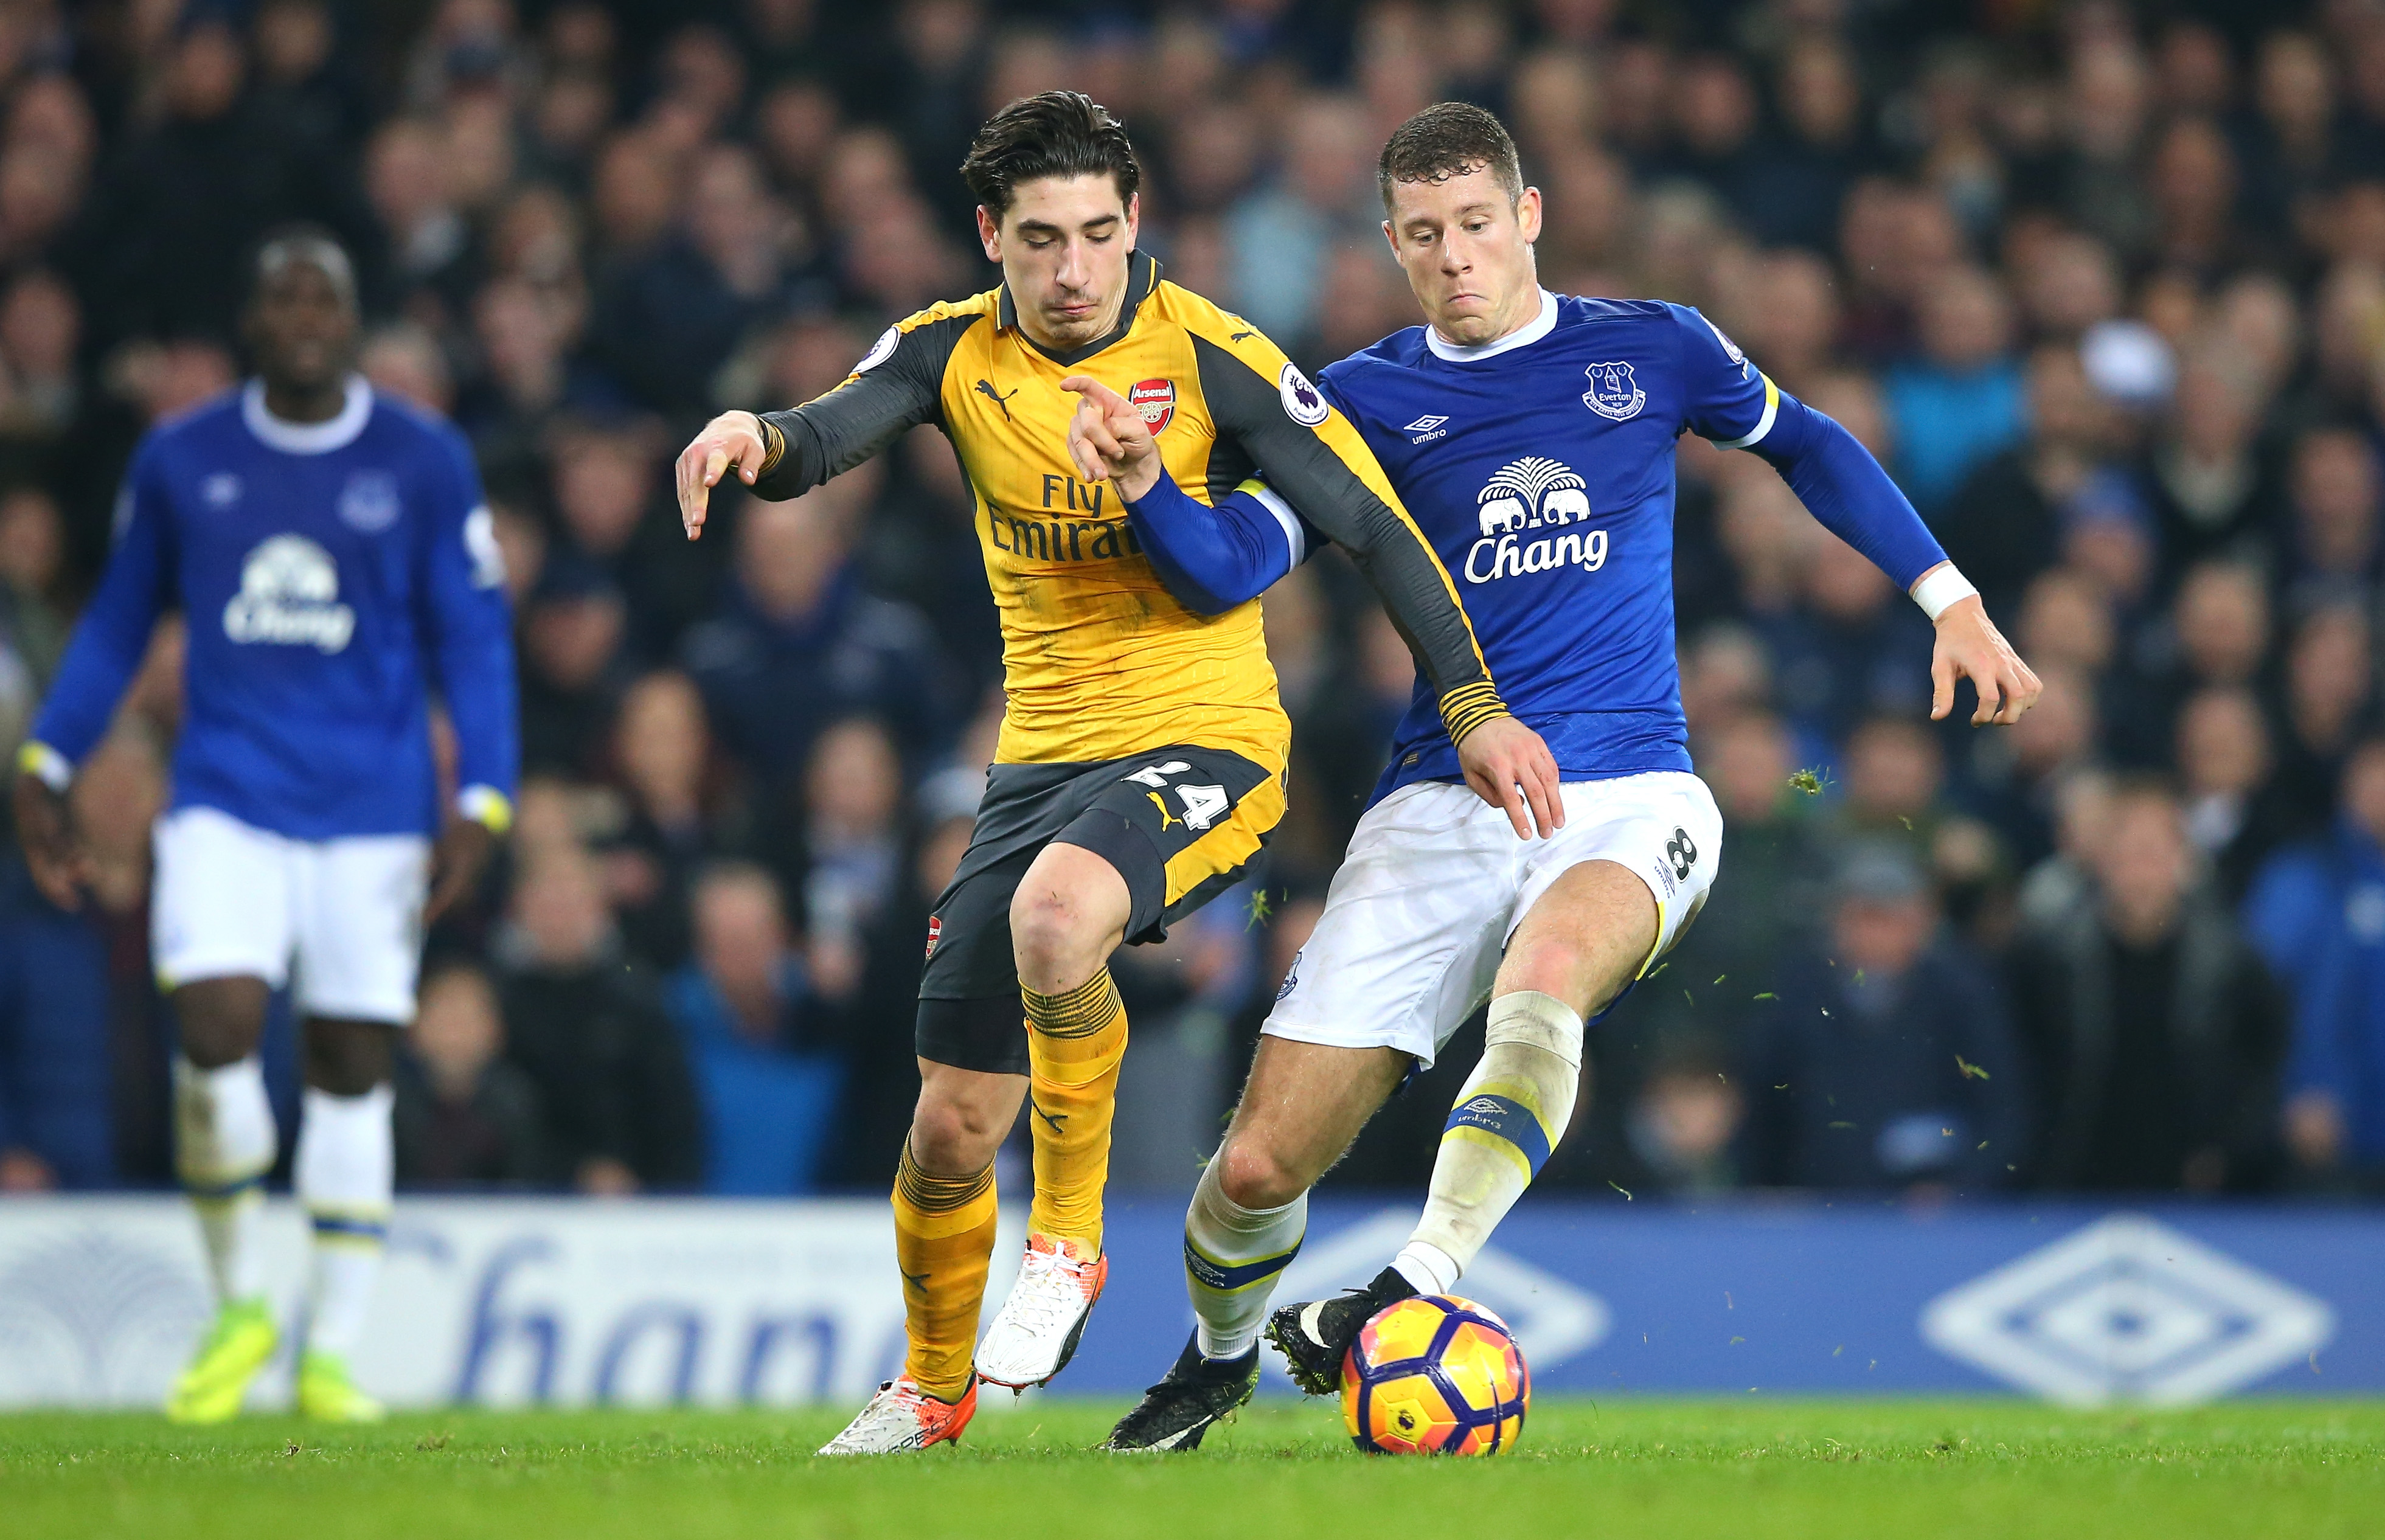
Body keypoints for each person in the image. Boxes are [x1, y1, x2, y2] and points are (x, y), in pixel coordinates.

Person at [1068, 102, 2039, 1449]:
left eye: (1474, 223)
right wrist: (1142, 491)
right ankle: (1218, 1360)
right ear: (1394, 248)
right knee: (1251, 1169)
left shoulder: (1651, 348)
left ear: (1526, 217)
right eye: (1421, 236)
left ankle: (1413, 1282)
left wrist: (1948, 598)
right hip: (1435, 807)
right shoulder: (1357, 401)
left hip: (1632, 788)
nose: (1453, 255)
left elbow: (1806, 444)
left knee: (1543, 987)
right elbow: (1233, 565)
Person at [671, 91, 1552, 1455]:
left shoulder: (1211, 352)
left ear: (1134, 221)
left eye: (1096, 234)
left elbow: (1372, 529)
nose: (1073, 270)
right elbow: (830, 429)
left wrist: (1475, 701)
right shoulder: (950, 353)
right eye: (1040, 241)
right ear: (991, 239)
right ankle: (930, 1388)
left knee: (1053, 919)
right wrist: (754, 438)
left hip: (1210, 744)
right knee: (954, 1123)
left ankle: (1069, 1246)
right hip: (1038, 764)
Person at [10, 231, 517, 1422]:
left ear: (351, 320)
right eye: (281, 296)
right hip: (227, 796)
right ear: (250, 322)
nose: (301, 315)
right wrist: (47, 757)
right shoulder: (185, 457)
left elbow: (474, 640)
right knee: (218, 1018)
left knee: (350, 1065)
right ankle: (241, 1301)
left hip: (376, 809)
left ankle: (329, 1350)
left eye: (322, 298)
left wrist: (483, 796)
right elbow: (118, 622)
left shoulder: (424, 457)